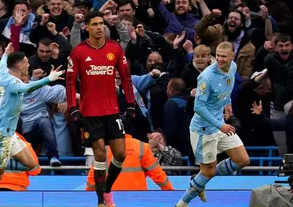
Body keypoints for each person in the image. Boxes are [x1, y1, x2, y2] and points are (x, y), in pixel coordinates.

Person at [0, 43, 64, 206]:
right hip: (0, 135)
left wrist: (6, 54)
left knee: (32, 165)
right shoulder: (13, 83)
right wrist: (48, 79)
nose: (29, 64)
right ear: (20, 65)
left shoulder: (4, 74)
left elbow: (2, 64)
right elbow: (28, 87)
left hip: (10, 134)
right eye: (26, 62)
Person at [66, 10, 136, 207]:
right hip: (90, 112)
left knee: (121, 154)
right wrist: (73, 108)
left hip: (112, 110)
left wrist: (130, 103)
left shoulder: (114, 48)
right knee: (99, 155)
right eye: (94, 24)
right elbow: (70, 82)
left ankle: (106, 189)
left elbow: (126, 77)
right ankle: (100, 202)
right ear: (86, 27)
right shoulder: (78, 51)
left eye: (101, 24)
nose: (98, 28)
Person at [175, 42, 250, 207]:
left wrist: (228, 103)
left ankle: (199, 180)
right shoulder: (207, 76)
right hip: (204, 130)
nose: (220, 60)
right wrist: (220, 125)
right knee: (208, 171)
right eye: (219, 56)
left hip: (219, 125)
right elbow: (198, 107)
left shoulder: (233, 67)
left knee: (243, 160)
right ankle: (181, 204)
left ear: (232, 56)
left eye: (224, 56)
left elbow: (227, 87)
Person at [86, 133, 174, 191]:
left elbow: (92, 181)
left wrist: (85, 196)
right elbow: (158, 175)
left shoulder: (105, 149)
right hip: (139, 199)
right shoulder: (142, 147)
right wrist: (171, 192)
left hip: (112, 199)